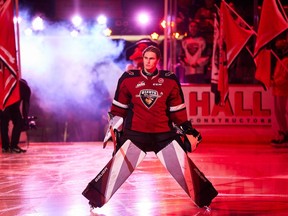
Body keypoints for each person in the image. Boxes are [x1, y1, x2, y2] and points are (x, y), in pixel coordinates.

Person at [82, 45, 218, 210]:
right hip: (135, 135)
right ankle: (94, 200)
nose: (148, 62)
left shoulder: (169, 80)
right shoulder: (128, 78)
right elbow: (118, 109)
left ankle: (205, 199)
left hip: (164, 135)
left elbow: (177, 111)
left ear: (157, 60)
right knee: (116, 170)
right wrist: (114, 130)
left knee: (184, 168)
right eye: (146, 58)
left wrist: (187, 128)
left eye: (151, 58)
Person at [1, 79, 31, 153]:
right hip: (12, 106)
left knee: (3, 124)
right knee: (18, 123)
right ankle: (13, 146)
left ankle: (5, 147)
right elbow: (25, 106)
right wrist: (25, 119)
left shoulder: (8, 81)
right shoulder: (26, 88)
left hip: (3, 104)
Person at [270, 33, 288, 145]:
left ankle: (284, 133)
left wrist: (274, 82)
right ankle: (282, 132)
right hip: (277, 89)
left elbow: (284, 77)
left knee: (281, 112)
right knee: (278, 112)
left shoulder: (286, 60)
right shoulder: (280, 59)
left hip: (283, 89)